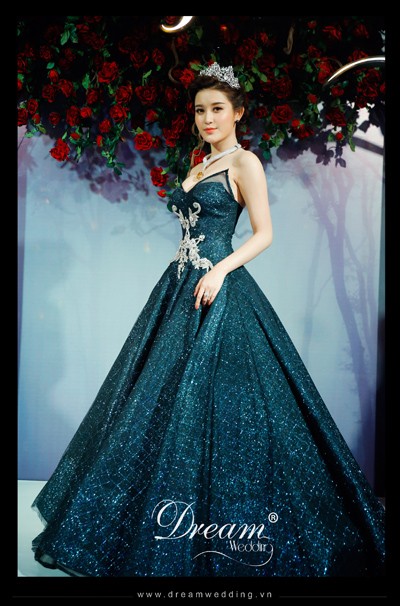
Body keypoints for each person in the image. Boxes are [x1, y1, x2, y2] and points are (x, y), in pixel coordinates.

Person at [31, 62, 385, 578]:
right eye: (200, 110)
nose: (207, 118)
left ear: (238, 112)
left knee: (228, 404)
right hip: (178, 286)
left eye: (217, 109)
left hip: (215, 285)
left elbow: (264, 233)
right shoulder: (199, 164)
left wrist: (219, 270)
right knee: (159, 398)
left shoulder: (245, 163)